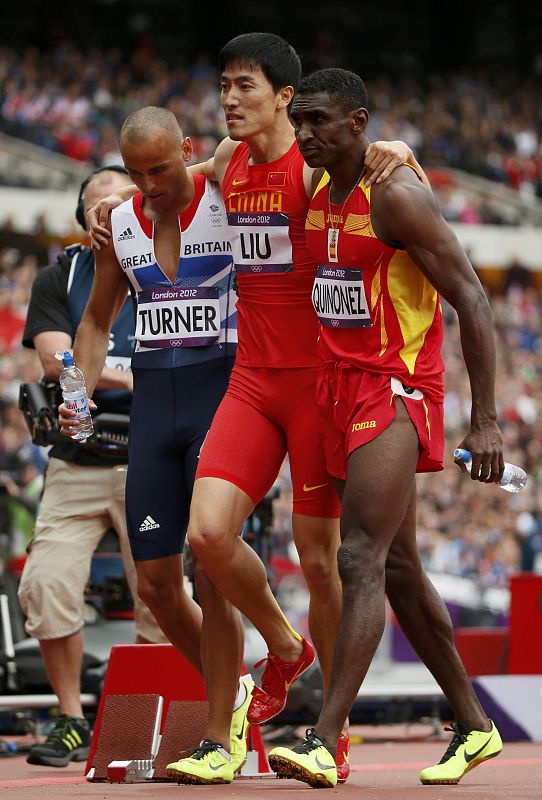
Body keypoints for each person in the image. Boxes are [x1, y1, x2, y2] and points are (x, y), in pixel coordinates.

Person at [267, 67, 505, 789]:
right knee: (399, 569)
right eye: (298, 120)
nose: (303, 134)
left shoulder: (398, 195)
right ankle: (475, 724)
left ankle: (324, 736)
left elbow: (472, 298)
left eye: (317, 123)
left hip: (396, 388)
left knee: (358, 559)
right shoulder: (314, 187)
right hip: (336, 387)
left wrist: (486, 420)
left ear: (358, 123)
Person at [62, 108, 253, 777]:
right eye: (136, 173)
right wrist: (77, 391)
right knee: (157, 586)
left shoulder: (225, 189)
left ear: (188, 152)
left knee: (215, 565)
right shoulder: (119, 224)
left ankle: (218, 729)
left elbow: (252, 139)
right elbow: (93, 322)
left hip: (221, 400)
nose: (149, 185)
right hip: (153, 410)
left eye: (161, 168)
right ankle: (237, 687)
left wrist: (395, 146)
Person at [18, 166, 167, 769]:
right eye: (96, 206)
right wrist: (135, 375)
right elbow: (58, 363)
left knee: (159, 596)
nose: (108, 213)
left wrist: (97, 369)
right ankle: (70, 718)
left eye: (120, 201)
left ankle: (148, 716)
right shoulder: (62, 275)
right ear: (84, 219)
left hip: (153, 453)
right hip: (78, 457)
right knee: (45, 584)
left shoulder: (169, 264)